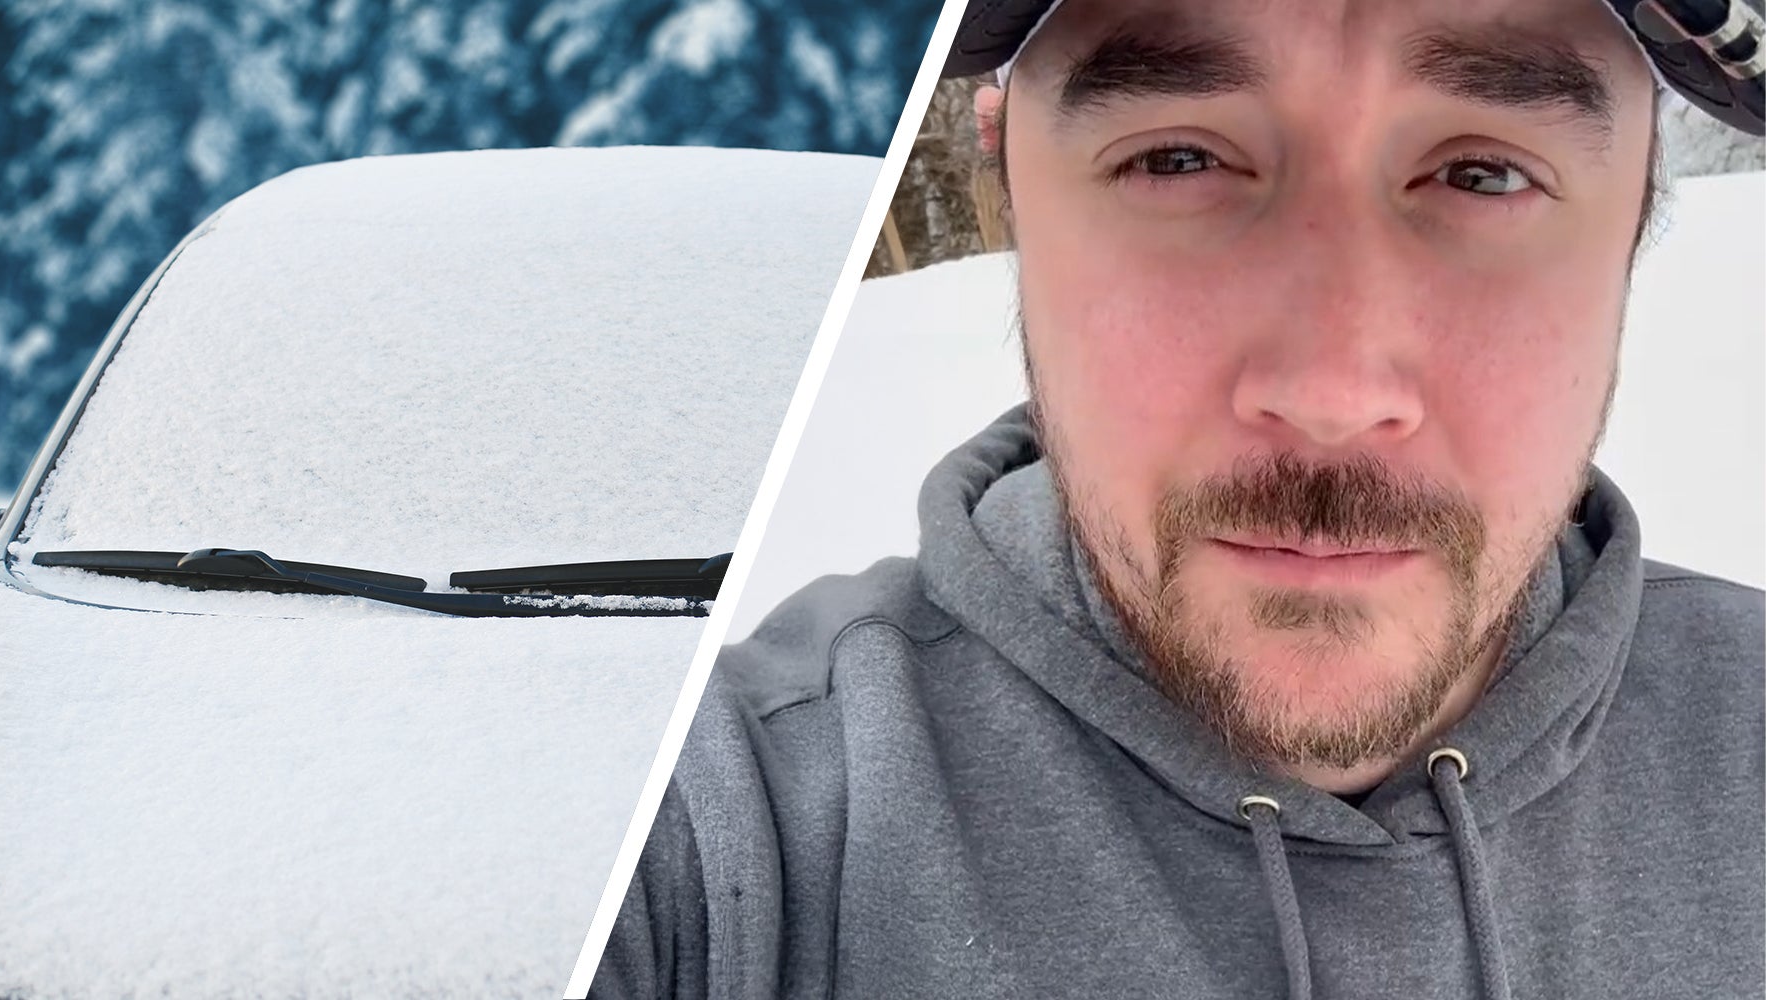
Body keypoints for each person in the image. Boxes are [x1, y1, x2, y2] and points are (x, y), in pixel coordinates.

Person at [594, 0, 1765, 997]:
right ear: (1005, 176)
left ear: (1635, 211)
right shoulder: (717, 831)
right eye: (1177, 159)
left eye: (1482, 173)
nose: (1329, 392)